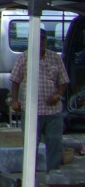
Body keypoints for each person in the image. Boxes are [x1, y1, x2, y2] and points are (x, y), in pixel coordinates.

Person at [11, 29, 69, 173]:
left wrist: (58, 95)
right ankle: (31, 179)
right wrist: (15, 100)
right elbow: (15, 80)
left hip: (52, 110)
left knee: (54, 143)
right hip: (32, 111)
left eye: (43, 39)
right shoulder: (23, 58)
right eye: (37, 39)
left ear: (46, 41)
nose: (40, 42)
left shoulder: (55, 57)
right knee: (31, 145)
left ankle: (53, 179)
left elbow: (64, 81)